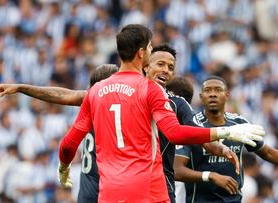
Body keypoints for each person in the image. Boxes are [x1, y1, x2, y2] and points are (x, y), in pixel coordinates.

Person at [0, 45, 238, 203]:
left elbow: (193, 135)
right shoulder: (119, 93)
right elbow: (66, 95)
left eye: (170, 67)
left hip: (156, 186)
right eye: (160, 63)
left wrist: (220, 146)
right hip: (122, 186)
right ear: (145, 65)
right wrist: (22, 87)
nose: (165, 69)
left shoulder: (176, 103)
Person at [57, 24, 264, 202]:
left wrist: (64, 166)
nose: (150, 50)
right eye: (149, 47)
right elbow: (175, 133)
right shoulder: (150, 89)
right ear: (141, 53)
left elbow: (69, 143)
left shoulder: (95, 91)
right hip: (149, 191)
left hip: (110, 193)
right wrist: (224, 133)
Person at [174, 76, 278, 203]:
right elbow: (177, 170)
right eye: (207, 91)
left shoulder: (239, 124)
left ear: (227, 95)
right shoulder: (193, 126)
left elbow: (266, 152)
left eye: (218, 90)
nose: (213, 94)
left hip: (233, 200)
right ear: (201, 97)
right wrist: (211, 176)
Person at [0, 64, 119, 203]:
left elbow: (62, 96)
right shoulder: (122, 106)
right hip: (113, 188)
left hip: (89, 190)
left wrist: (21, 87)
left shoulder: (91, 102)